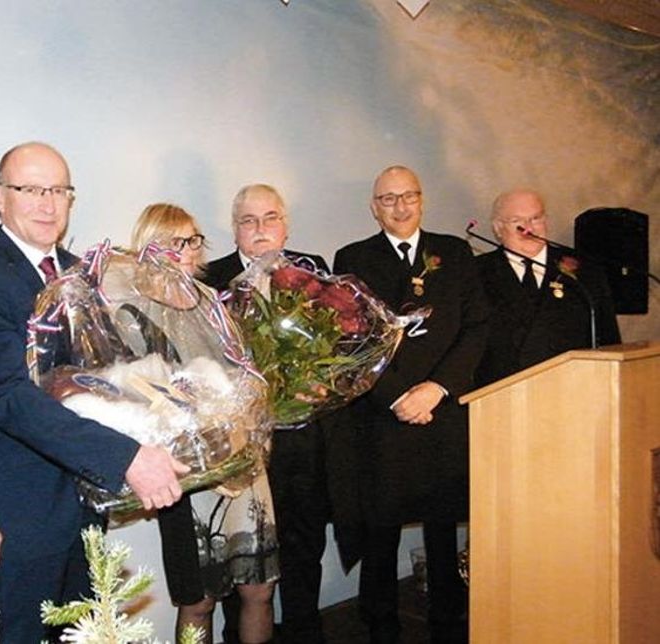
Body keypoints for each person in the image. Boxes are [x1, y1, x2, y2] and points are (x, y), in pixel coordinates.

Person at [0, 142, 188, 643]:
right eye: (31, 189)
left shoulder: (83, 273)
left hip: (87, 500)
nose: (47, 203)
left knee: (89, 631)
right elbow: (7, 397)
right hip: (25, 509)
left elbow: (105, 374)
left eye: (59, 190)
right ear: (0, 197)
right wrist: (123, 455)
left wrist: (168, 410)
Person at [330, 165, 489, 643]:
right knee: (381, 530)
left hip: (440, 410)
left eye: (409, 196)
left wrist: (437, 387)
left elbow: (477, 326)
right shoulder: (353, 257)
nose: (400, 206)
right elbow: (349, 340)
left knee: (442, 528)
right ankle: (380, 626)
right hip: (384, 415)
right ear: (374, 206)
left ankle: (448, 623)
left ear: (422, 200)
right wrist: (398, 394)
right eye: (388, 198)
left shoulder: (455, 253)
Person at [130, 203, 280, 644]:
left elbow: (246, 371)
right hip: (186, 474)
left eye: (194, 240)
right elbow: (137, 394)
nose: (189, 251)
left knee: (260, 589)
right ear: (150, 249)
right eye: (177, 242)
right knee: (199, 602)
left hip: (240, 461)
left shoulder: (215, 302)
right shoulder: (133, 313)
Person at [203, 184, 331, 644]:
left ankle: (304, 632)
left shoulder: (314, 271)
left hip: (300, 440)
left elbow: (336, 345)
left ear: (286, 224)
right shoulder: (209, 279)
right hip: (240, 446)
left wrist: (324, 379)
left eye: (270, 218)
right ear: (234, 228)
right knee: (243, 554)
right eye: (248, 220)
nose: (260, 229)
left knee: (303, 546)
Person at [474, 189, 621, 386]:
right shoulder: (475, 273)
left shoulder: (584, 270)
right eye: (517, 220)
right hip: (501, 396)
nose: (528, 228)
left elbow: (609, 340)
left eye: (535, 218)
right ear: (498, 228)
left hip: (574, 391)